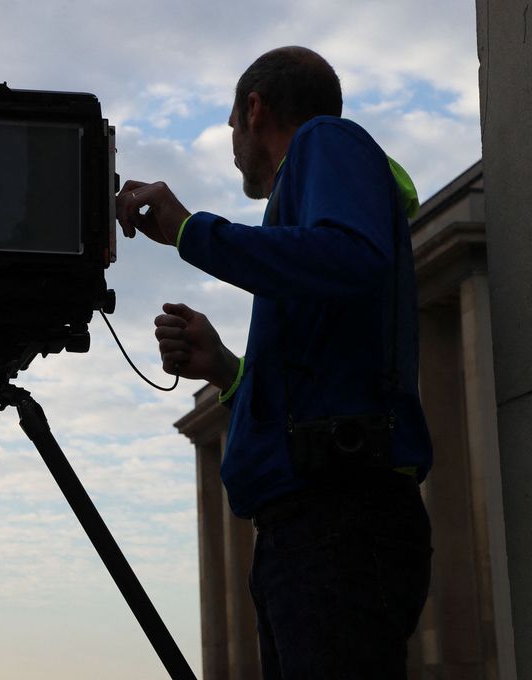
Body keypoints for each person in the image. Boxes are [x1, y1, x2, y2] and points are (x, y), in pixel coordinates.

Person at [116, 46, 433, 678]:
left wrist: (188, 228)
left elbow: (348, 258)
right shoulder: (320, 189)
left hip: (335, 525)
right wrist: (229, 371)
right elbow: (321, 380)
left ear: (254, 110)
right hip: (318, 528)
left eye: (232, 126)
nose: (234, 143)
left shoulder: (326, 141)